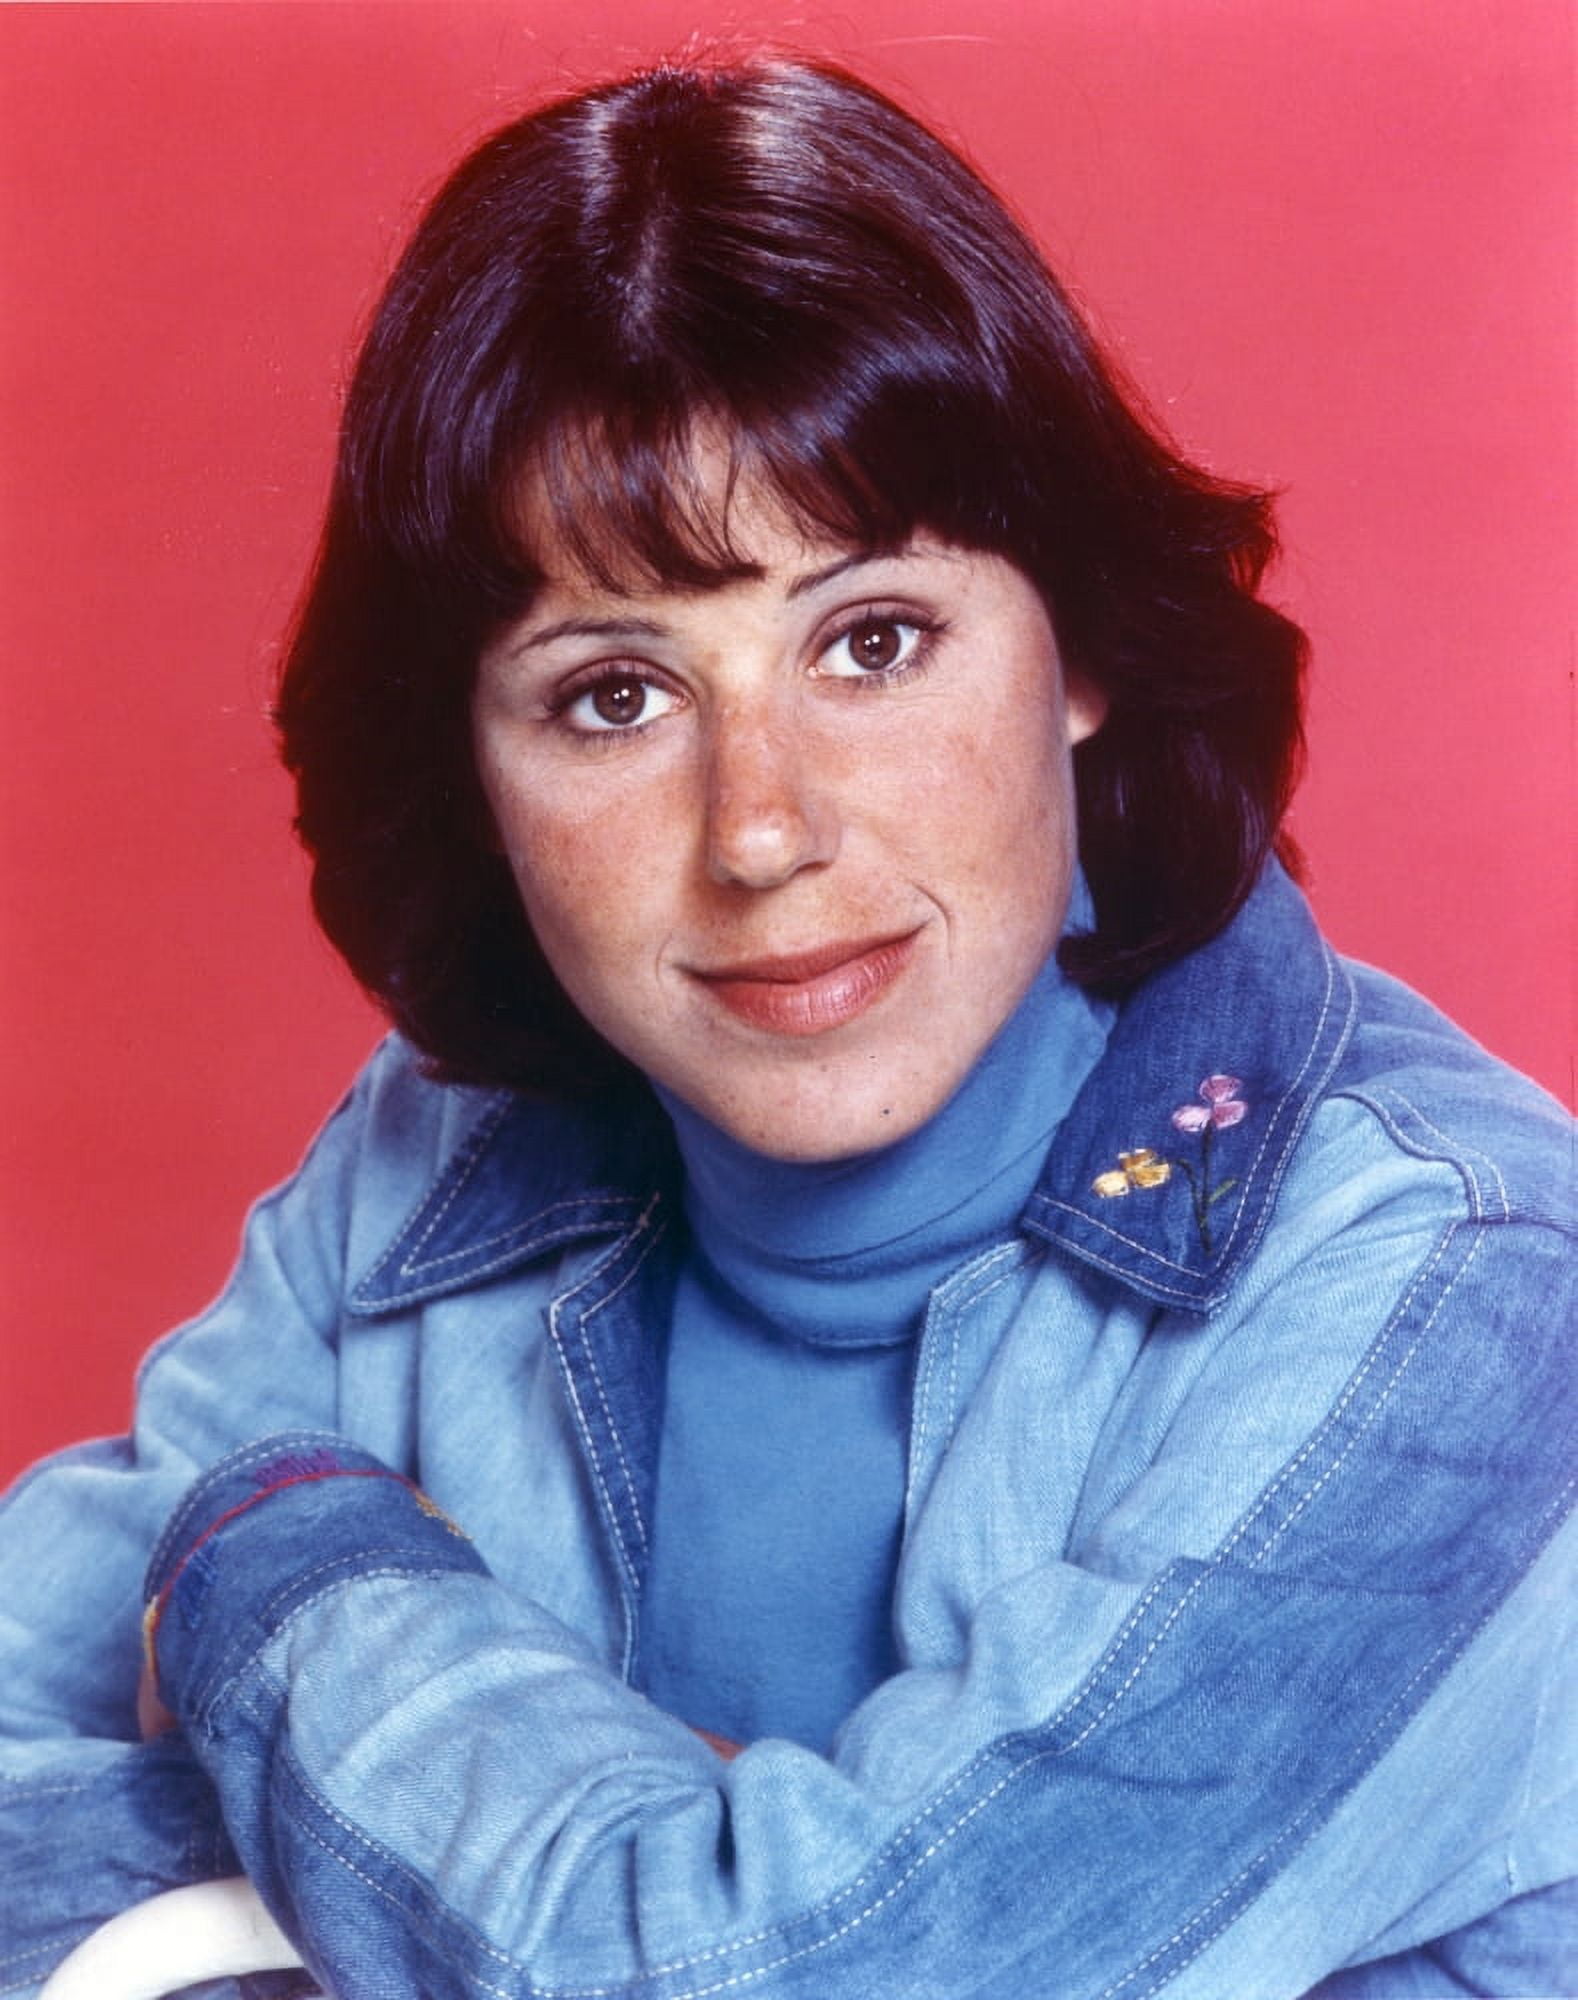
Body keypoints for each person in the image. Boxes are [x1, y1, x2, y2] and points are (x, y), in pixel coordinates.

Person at [2, 51, 1573, 2000]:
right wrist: (612, 1875)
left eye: (874, 642)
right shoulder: (425, 1171)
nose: (761, 828)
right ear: (471, 767)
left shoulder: (1467, 1292)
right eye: (611, 695)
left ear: (1078, 649)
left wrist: (286, 1574)